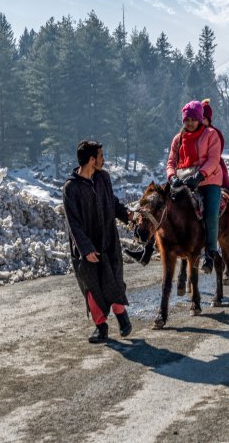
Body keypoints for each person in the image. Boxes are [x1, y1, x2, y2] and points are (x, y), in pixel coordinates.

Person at [62, 140, 133, 344]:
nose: (104, 160)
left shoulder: (103, 178)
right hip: (86, 247)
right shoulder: (71, 188)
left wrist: (127, 215)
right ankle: (101, 327)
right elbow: (73, 222)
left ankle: (123, 318)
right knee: (91, 286)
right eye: (101, 156)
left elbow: (112, 201)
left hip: (108, 240)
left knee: (114, 280)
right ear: (91, 160)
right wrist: (85, 249)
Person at [167, 100, 224, 274]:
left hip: (208, 181)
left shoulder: (211, 134)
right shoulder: (178, 139)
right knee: (162, 206)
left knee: (211, 213)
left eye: (193, 119)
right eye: (187, 120)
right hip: (183, 181)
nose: (189, 123)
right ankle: (149, 245)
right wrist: (172, 177)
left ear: (200, 119)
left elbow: (214, 160)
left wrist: (200, 176)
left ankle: (210, 252)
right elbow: (171, 162)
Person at [202, 99, 229, 192]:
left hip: (214, 165)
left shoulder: (215, 133)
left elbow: (216, 153)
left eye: (203, 119)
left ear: (208, 120)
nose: (200, 121)